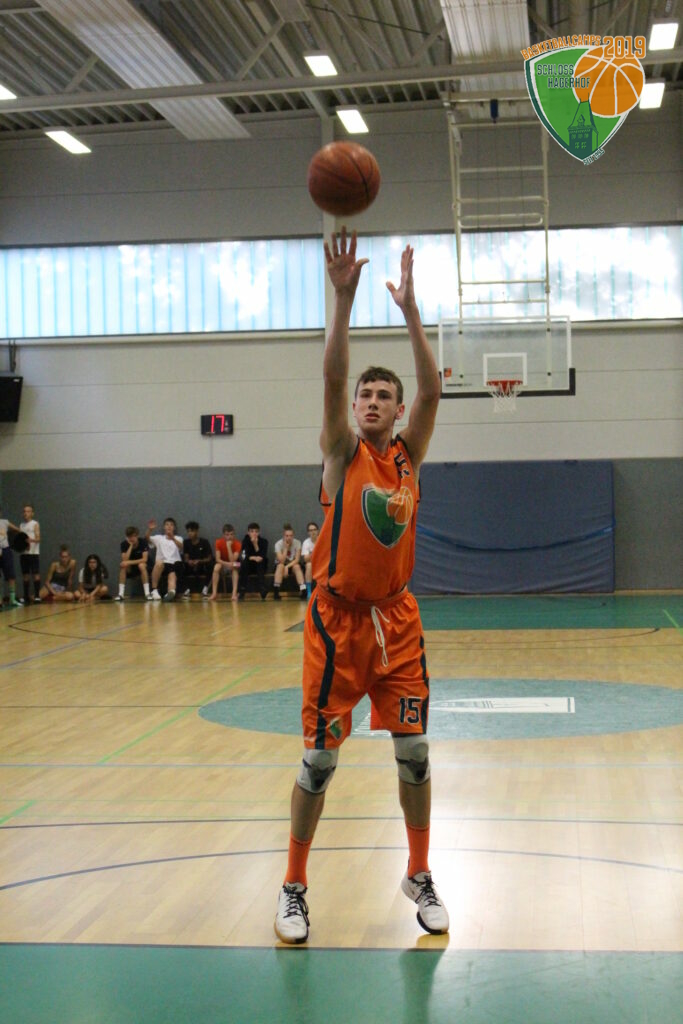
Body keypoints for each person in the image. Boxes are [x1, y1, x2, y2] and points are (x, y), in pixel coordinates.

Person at [274, 229, 447, 944]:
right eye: (365, 394)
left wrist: (411, 312)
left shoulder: (408, 456)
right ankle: (293, 886)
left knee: (415, 753)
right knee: (319, 762)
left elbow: (433, 388)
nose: (372, 401)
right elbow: (329, 380)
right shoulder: (341, 453)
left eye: (384, 395)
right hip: (336, 622)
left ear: (398, 411)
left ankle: (418, 872)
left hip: (396, 620)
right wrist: (342, 301)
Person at [146, 518, 183, 602]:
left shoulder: (178, 538)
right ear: (164, 527)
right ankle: (154, 590)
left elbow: (181, 547)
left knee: (172, 575)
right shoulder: (159, 538)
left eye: (171, 525)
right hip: (162, 564)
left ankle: (171, 592)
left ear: (174, 528)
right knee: (159, 563)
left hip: (174, 564)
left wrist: (173, 538)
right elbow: (147, 538)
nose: (169, 526)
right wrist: (150, 530)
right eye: (167, 524)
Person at [273, 523, 307, 600]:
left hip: (292, 564)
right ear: (283, 536)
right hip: (281, 564)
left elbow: (297, 559)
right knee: (280, 566)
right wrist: (285, 548)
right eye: (287, 536)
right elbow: (281, 560)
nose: (289, 538)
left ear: (293, 536)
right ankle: (276, 591)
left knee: (297, 566)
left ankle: (303, 589)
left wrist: (287, 567)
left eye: (291, 536)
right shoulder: (278, 544)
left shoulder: (297, 543)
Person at [116, 526, 150, 601]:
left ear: (137, 536)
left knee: (141, 565)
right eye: (129, 537)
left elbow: (144, 559)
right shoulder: (124, 544)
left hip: (142, 566)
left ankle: (147, 594)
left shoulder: (143, 542)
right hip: (130, 568)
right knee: (123, 566)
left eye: (133, 536)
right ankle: (121, 594)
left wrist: (129, 562)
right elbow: (124, 560)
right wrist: (130, 546)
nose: (132, 538)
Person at [208, 524, 242, 601]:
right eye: (227, 535)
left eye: (231, 534)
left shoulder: (238, 544)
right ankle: (214, 593)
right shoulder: (218, 542)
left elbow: (233, 560)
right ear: (223, 535)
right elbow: (217, 559)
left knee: (235, 567)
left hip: (235, 563)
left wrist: (229, 547)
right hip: (223, 563)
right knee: (216, 567)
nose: (229, 537)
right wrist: (227, 564)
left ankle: (234, 593)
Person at [237, 522, 269, 600]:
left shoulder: (264, 542)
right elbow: (244, 556)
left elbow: (262, 556)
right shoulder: (245, 541)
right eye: (252, 531)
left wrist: (255, 544)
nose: (254, 533)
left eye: (256, 531)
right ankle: (242, 590)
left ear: (259, 532)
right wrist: (253, 558)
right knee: (244, 563)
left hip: (260, 566)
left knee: (260, 563)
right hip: (248, 566)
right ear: (248, 533)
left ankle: (262, 589)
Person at [182, 521, 213, 597]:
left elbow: (209, 558)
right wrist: (189, 561)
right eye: (188, 531)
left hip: (202, 566)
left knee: (211, 565)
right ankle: (185, 589)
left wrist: (199, 561)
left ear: (196, 531)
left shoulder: (204, 542)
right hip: (190, 567)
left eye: (192, 531)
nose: (190, 533)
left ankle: (205, 588)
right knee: (178, 566)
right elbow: (186, 558)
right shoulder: (186, 542)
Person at [18, 504, 41, 604]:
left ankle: (37, 596)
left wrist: (30, 540)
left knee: (35, 574)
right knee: (25, 575)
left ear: (32, 513)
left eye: (28, 511)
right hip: (24, 553)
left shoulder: (35, 524)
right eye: (24, 511)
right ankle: (26, 596)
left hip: (33, 553)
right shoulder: (21, 525)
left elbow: (38, 538)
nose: (25, 513)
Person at [0, 510, 22, 608]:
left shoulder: (5, 522)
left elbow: (18, 530)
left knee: (11, 575)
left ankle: (12, 599)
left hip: (6, 550)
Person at [301, 522, 319, 599]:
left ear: (318, 531)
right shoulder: (306, 542)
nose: (313, 532)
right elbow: (306, 559)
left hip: (322, 563)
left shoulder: (322, 539)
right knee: (308, 565)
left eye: (314, 530)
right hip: (311, 564)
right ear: (308, 532)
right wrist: (315, 552)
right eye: (311, 530)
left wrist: (311, 554)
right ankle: (308, 591)